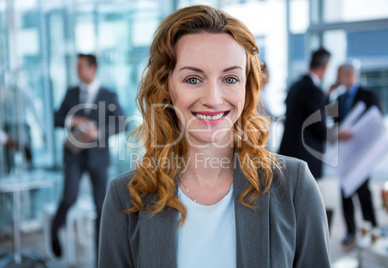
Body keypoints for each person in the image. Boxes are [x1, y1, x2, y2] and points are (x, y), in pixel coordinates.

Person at [99, 5, 330, 267]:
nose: (213, 99)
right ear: (165, 87)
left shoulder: (294, 186)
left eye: (230, 79)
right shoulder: (125, 196)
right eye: (193, 79)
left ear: (247, 88)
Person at [51, 53, 125, 259]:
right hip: (74, 154)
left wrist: (99, 132)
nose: (77, 71)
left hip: (98, 157)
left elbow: (121, 123)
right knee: (69, 197)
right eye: (77, 67)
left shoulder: (109, 95)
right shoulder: (71, 93)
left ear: (92, 69)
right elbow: (57, 118)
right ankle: (54, 232)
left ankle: (100, 257)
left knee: (101, 207)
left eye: (80, 67)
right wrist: (73, 120)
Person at [334, 63, 381, 245]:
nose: (337, 79)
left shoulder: (369, 94)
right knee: (345, 192)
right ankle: (351, 230)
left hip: (362, 152)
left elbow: (376, 120)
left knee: (363, 192)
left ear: (348, 75)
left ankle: (372, 228)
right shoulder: (339, 97)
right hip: (345, 153)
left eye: (339, 75)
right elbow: (329, 120)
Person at [278, 48, 331, 180]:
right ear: (325, 66)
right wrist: (336, 134)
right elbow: (318, 127)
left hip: (288, 152)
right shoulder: (313, 90)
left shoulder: (295, 85)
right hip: (306, 156)